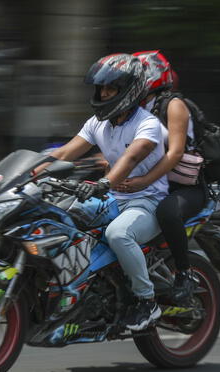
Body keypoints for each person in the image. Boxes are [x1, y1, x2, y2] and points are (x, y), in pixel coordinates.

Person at [40, 53, 168, 331]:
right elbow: (64, 153)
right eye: (101, 88)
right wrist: (30, 172)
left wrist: (105, 183)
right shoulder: (98, 123)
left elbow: (131, 158)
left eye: (111, 88)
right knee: (58, 218)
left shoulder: (148, 124)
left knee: (118, 235)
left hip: (146, 202)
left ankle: (147, 301)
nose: (104, 93)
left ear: (129, 91)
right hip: (110, 198)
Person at [115, 50, 206, 302]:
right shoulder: (135, 108)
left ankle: (184, 273)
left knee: (166, 211)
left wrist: (143, 181)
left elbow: (175, 153)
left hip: (183, 187)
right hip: (153, 183)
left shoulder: (174, 105)